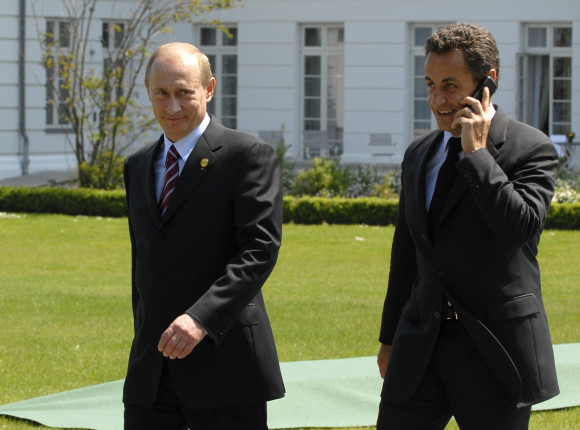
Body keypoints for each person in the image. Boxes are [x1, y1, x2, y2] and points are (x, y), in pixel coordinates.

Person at [376, 24, 559, 430]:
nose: (437, 100)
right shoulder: (419, 154)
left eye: (450, 86)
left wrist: (477, 155)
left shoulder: (531, 149)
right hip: (419, 348)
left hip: (496, 351)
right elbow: (406, 254)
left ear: (488, 83)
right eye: (430, 84)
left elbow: (519, 228)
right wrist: (390, 338)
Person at [123, 42, 284, 429]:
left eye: (184, 93)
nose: (172, 106)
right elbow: (145, 261)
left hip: (224, 362)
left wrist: (199, 319)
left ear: (209, 89)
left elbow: (259, 250)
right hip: (153, 367)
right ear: (148, 91)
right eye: (161, 93)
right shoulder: (137, 165)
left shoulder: (247, 155)